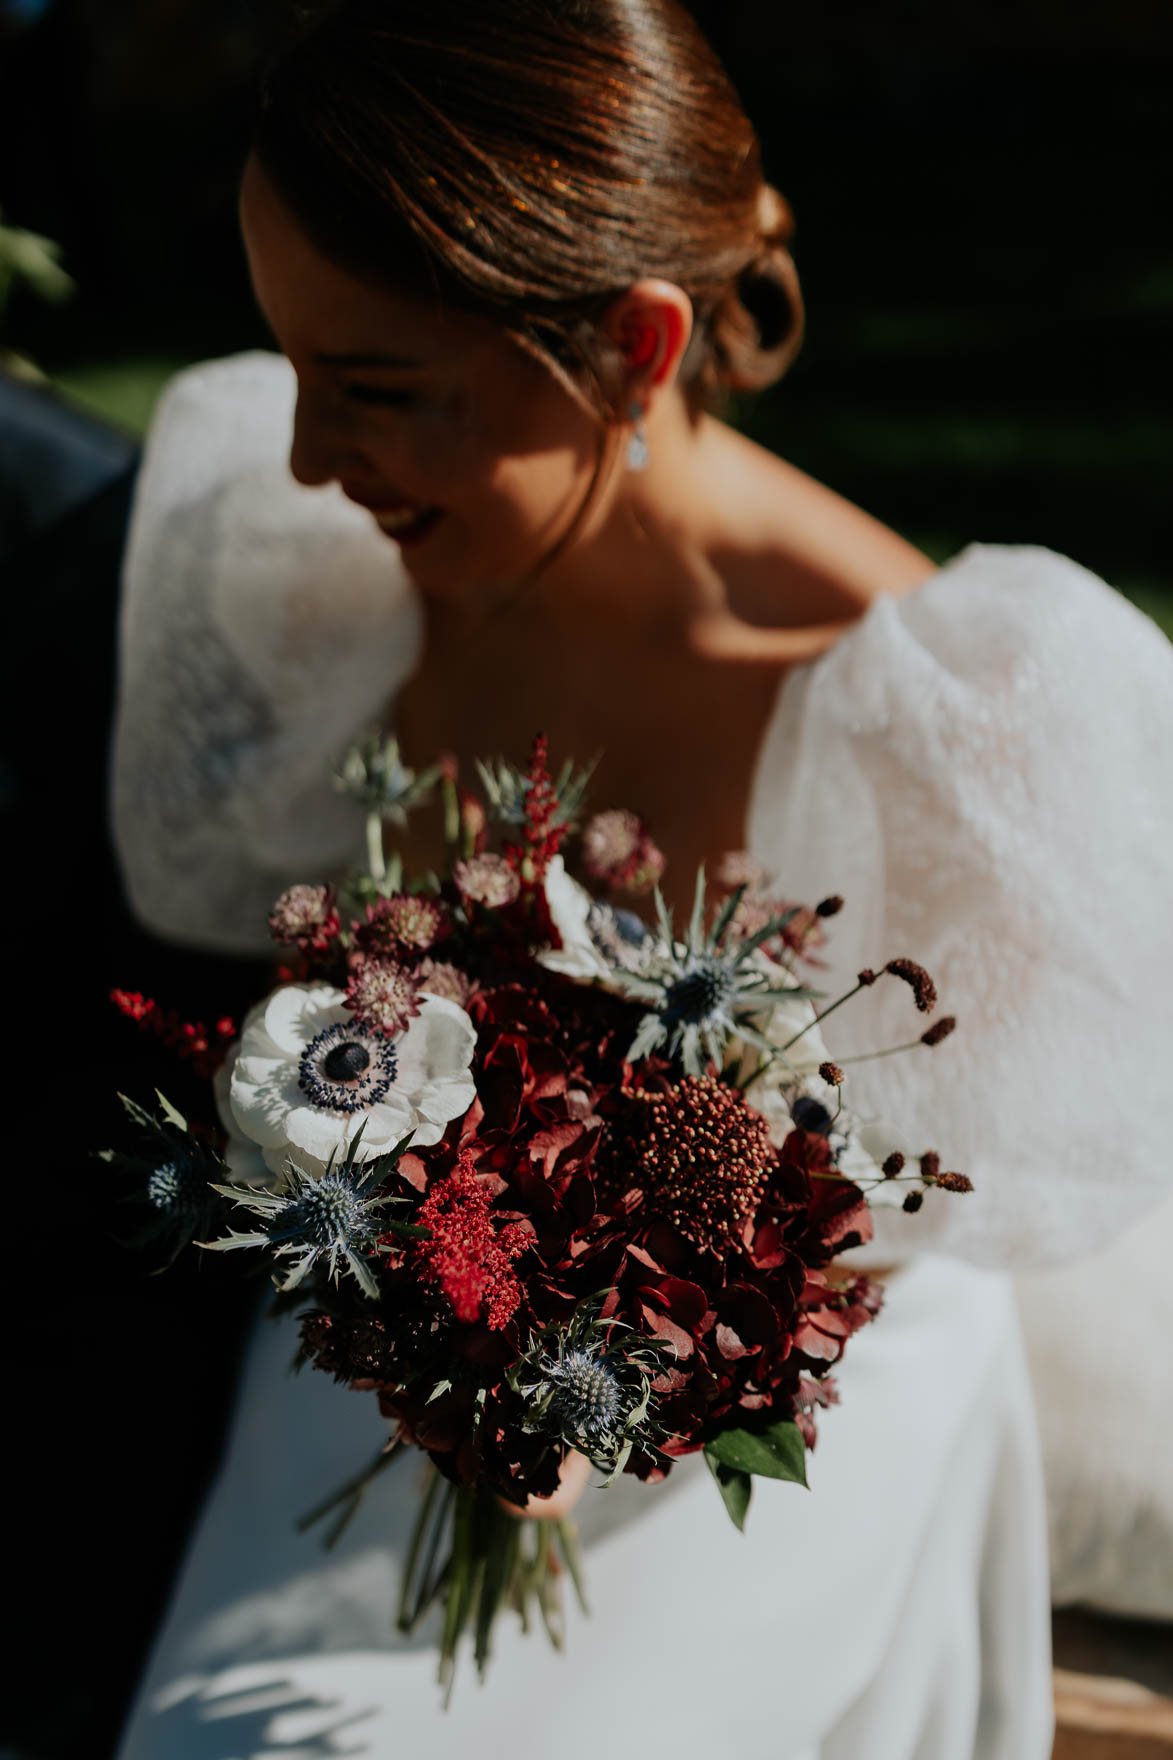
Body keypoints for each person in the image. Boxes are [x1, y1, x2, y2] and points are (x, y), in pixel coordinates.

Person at [111, 2, 1173, 1755]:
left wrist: (602, 1383)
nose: (303, 460)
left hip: (779, 1405)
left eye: (376, 389)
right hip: (389, 1355)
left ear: (633, 344)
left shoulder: (932, 714)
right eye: (292, 366)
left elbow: (929, 1225)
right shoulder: (350, 581)